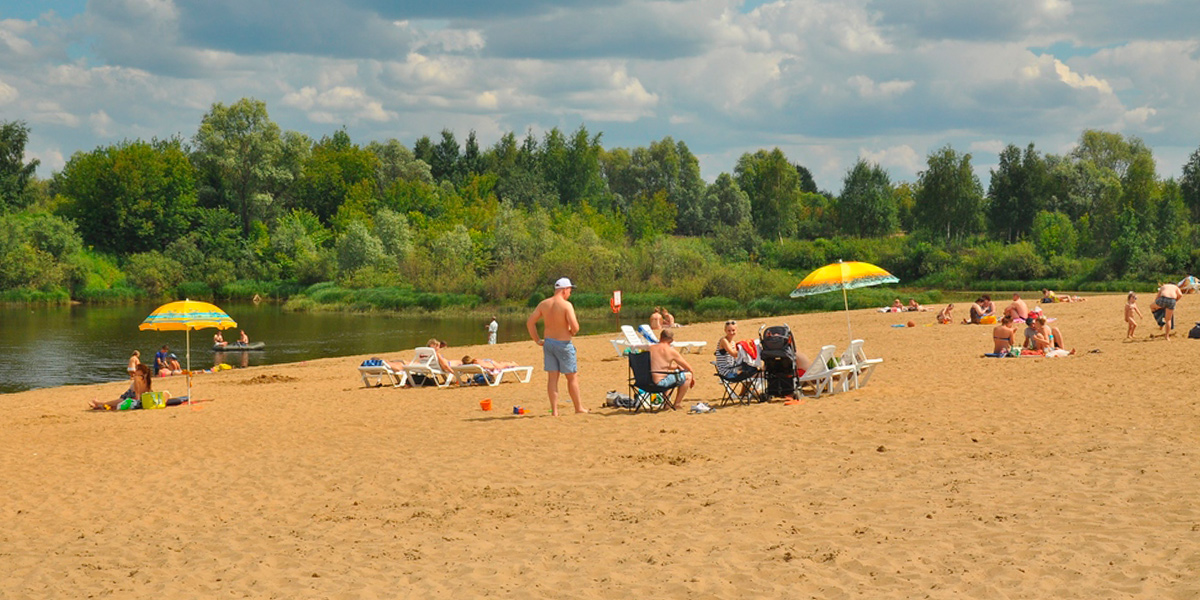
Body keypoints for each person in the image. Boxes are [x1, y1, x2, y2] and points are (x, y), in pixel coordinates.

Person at [527, 277, 586, 415]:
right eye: (570, 290)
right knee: (572, 377)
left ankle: (554, 410)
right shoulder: (566, 305)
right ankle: (578, 408)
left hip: (548, 343)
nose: (570, 293)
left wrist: (537, 340)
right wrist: (572, 331)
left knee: (552, 378)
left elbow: (530, 322)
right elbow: (576, 327)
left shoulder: (544, 304)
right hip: (563, 344)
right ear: (565, 290)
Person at [648, 329, 696, 410]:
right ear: (671, 340)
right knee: (688, 375)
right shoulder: (671, 351)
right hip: (660, 383)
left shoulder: (650, 348)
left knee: (667, 375)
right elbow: (688, 368)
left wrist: (676, 367)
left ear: (660, 338)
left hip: (646, 382)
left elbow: (659, 365)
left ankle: (667, 404)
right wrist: (693, 378)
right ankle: (677, 404)